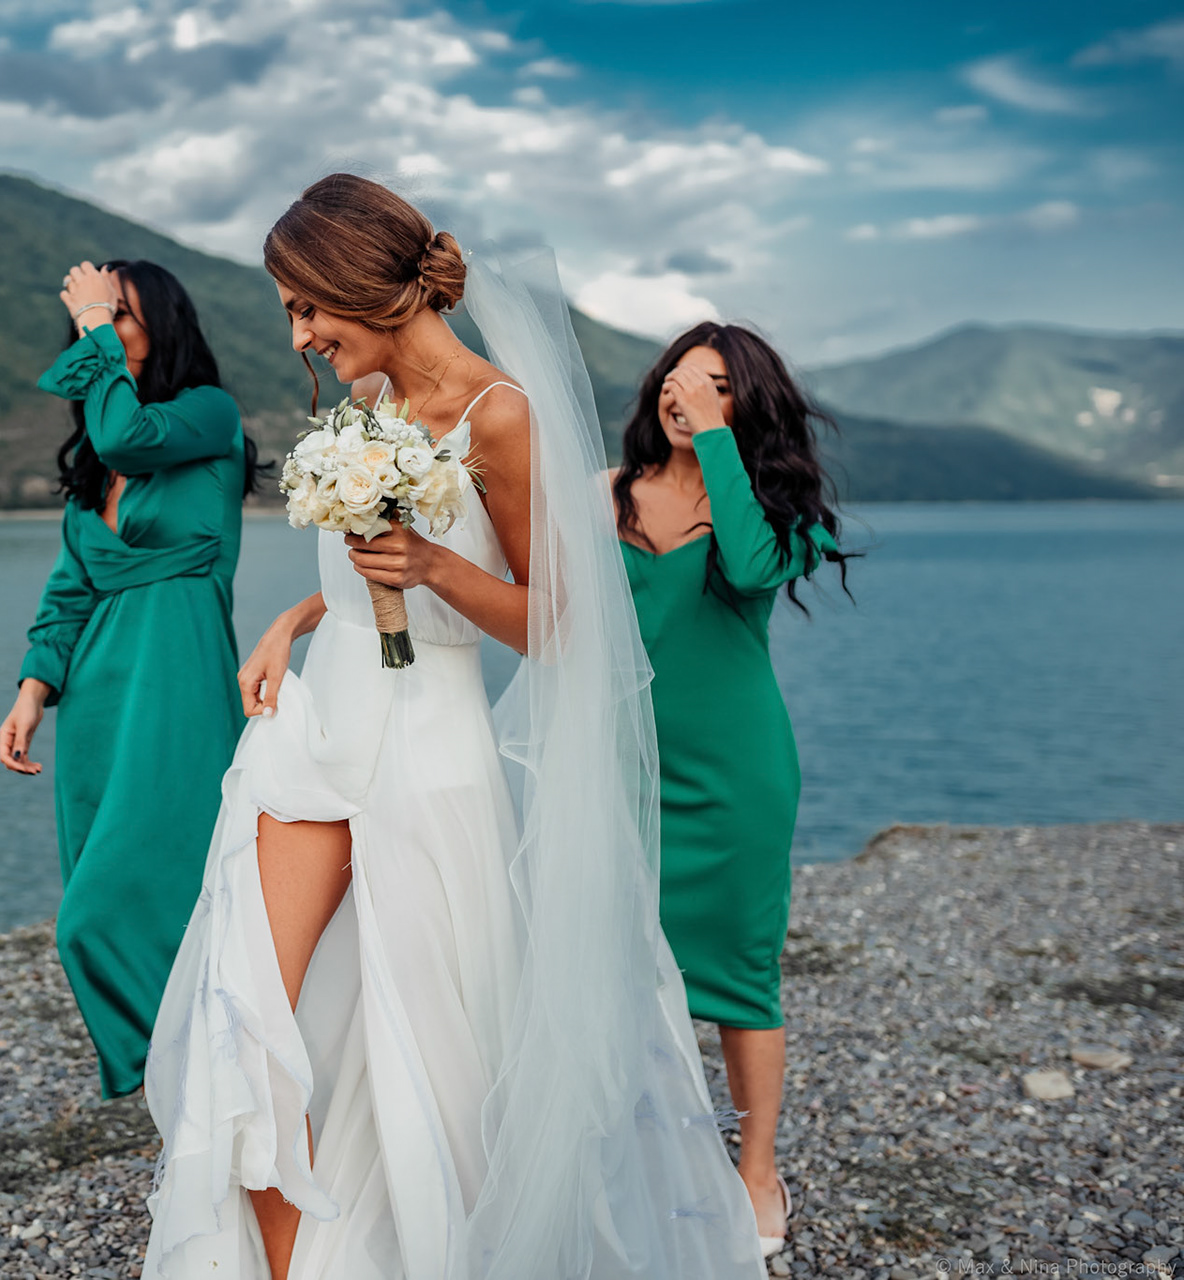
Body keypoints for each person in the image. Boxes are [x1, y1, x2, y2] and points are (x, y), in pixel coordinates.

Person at [142, 174, 766, 1280]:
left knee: (429, 1056)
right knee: (248, 1013)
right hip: (317, 729)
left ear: (361, 284)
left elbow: (559, 623)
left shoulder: (501, 415)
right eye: (291, 312)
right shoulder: (368, 405)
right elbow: (360, 570)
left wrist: (433, 566)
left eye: (307, 306)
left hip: (427, 753)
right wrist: (295, 619)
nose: (300, 336)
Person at [611, 322, 854, 1256]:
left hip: (737, 777)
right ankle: (650, 1164)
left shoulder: (780, 515)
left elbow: (749, 569)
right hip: (629, 771)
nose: (688, 397)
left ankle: (757, 1173)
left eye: (716, 387)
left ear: (748, 405)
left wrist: (715, 440)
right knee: (630, 972)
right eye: (678, 380)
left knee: (743, 978)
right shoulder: (608, 495)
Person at [0, 258, 260, 1099]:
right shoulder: (93, 459)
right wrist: (33, 692)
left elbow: (127, 437)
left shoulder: (208, 417)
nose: (107, 328)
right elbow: (70, 585)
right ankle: (191, 1090)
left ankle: (199, 1065)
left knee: (116, 906)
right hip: (96, 703)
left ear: (165, 327)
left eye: (121, 314)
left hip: (176, 686)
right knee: (109, 894)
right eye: (101, 315)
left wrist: (91, 326)